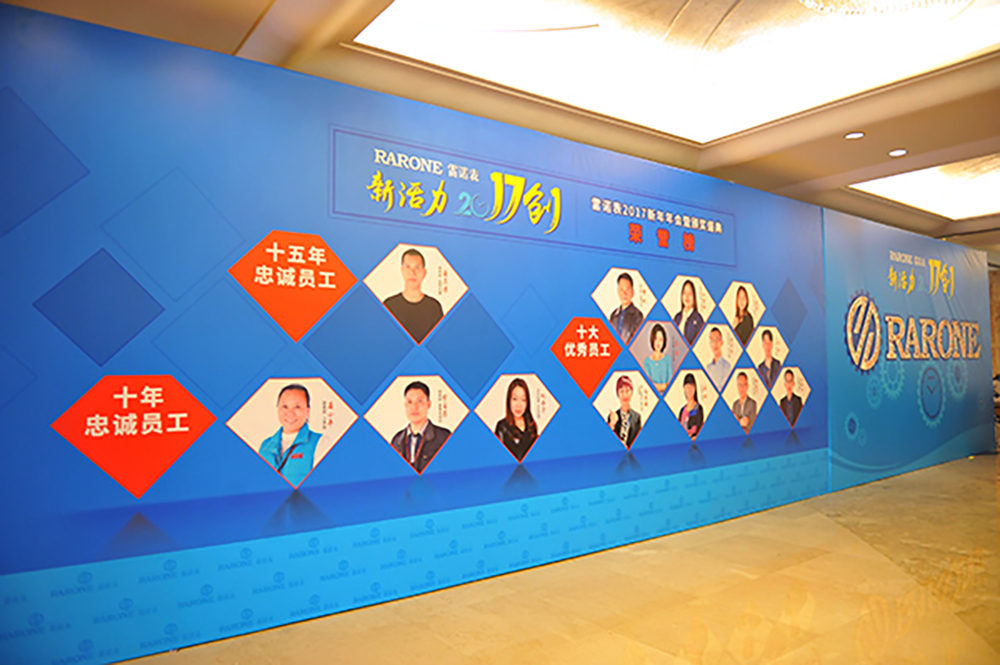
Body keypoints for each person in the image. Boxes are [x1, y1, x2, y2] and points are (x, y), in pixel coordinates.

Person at [259, 384, 325, 488]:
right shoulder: (266, 446)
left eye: (297, 407)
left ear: (307, 411)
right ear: (278, 409)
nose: (290, 413)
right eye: (285, 407)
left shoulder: (320, 443)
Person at [382, 248, 444, 343]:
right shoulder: (389, 305)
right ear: (402, 270)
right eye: (408, 267)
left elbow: (440, 342)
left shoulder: (434, 307)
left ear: (424, 273)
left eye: (417, 268)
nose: (412, 272)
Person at [390, 381, 452, 473]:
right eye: (409, 402)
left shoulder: (444, 437)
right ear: (405, 405)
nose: (414, 407)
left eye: (419, 401)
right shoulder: (396, 440)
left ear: (428, 404)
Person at [494, 377, 538, 463]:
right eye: (515, 399)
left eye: (523, 400)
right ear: (509, 400)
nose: (519, 405)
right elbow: (498, 458)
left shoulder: (532, 426)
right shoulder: (502, 427)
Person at [607, 375, 642, 449]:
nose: (625, 395)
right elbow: (606, 441)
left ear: (631, 393)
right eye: (622, 391)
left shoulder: (637, 417)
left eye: (627, 391)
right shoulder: (612, 416)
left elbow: (639, 442)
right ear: (618, 394)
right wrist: (612, 425)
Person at [608, 272, 643, 345]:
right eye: (621, 290)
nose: (624, 293)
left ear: (632, 292)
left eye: (627, 289)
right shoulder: (613, 315)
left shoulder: (638, 316)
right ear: (618, 292)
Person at [673, 279, 704, 346]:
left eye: (690, 293)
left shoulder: (698, 319)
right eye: (684, 293)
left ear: (694, 297)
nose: (687, 296)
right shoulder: (677, 317)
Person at [643, 323, 672, 392]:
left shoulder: (667, 359)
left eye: (661, 339)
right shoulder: (647, 362)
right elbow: (648, 385)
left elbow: (670, 383)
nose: (658, 342)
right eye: (656, 339)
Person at [677, 373, 703, 440]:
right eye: (687, 387)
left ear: (695, 388)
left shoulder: (698, 409)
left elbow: (698, 430)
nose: (689, 390)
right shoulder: (682, 410)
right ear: (684, 389)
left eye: (692, 386)